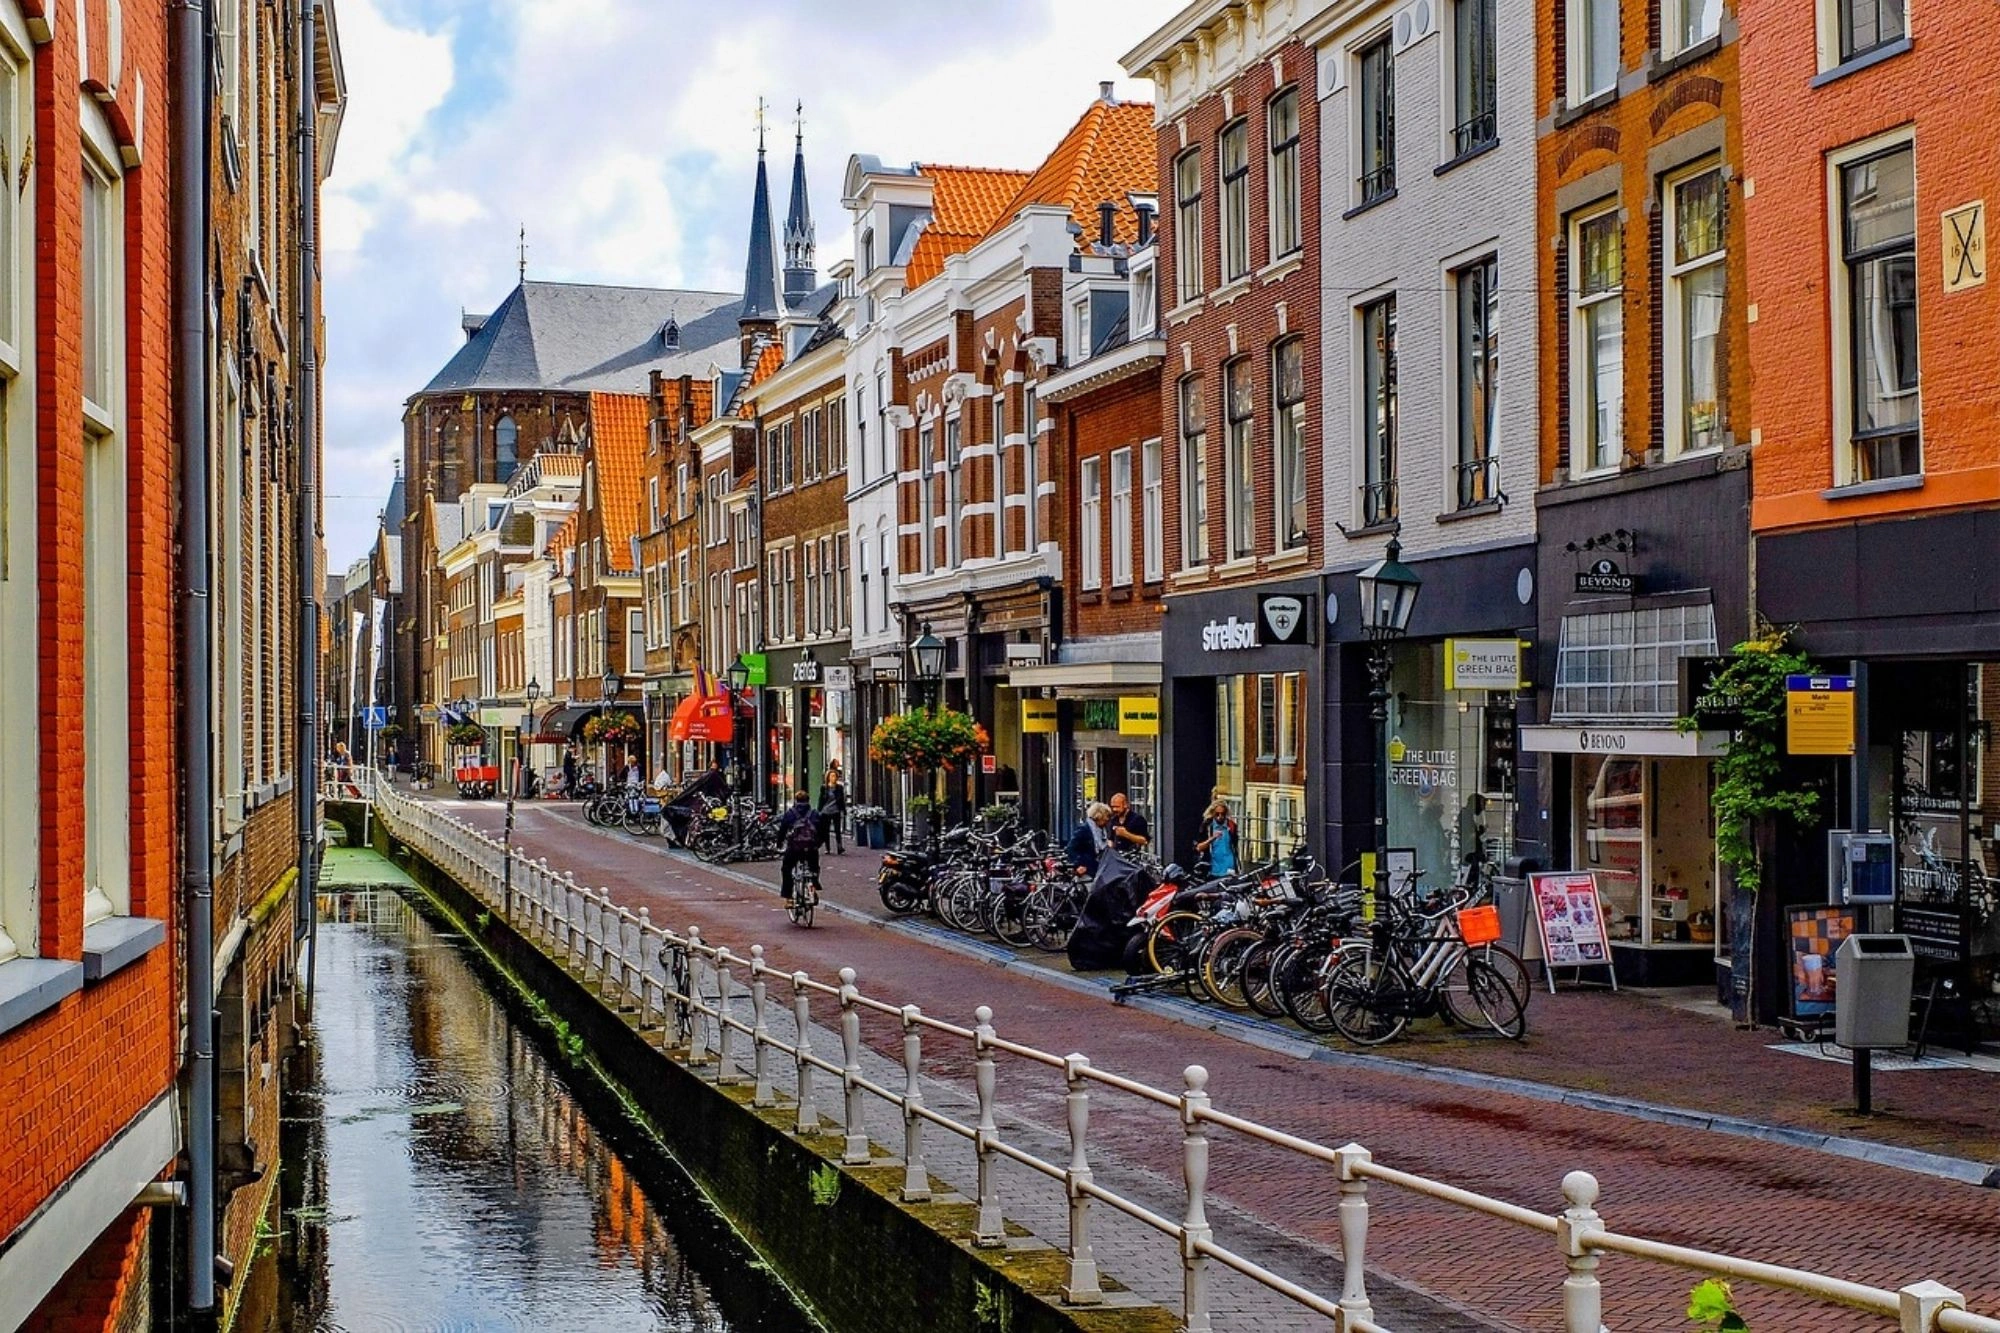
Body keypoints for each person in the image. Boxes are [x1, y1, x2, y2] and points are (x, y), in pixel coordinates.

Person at [777, 789, 821, 901]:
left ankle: (788, 897)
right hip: (810, 848)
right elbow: (822, 831)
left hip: (794, 848)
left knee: (786, 868)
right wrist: (817, 844)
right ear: (808, 800)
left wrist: (779, 843)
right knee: (814, 867)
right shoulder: (814, 814)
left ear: (795, 800)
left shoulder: (790, 814)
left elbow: (782, 830)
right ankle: (813, 884)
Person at [1065, 802, 1112, 876]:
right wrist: (1078, 865)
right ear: (1099, 816)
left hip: (1098, 867)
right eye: (1106, 818)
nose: (1107, 821)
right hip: (1086, 868)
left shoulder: (1102, 831)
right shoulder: (1084, 830)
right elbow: (1071, 848)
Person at [1195, 798, 1238, 876]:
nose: (1220, 817)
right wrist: (1212, 839)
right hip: (1213, 868)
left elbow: (1234, 847)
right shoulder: (1207, 825)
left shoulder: (1231, 826)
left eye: (1223, 814)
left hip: (1229, 867)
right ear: (1213, 813)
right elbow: (1199, 847)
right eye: (1217, 814)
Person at [819, 760, 848, 855]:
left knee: (837, 830)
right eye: (832, 776)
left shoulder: (839, 788)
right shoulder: (824, 788)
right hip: (826, 811)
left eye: (835, 776)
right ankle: (828, 848)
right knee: (825, 830)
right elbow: (821, 800)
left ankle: (839, 846)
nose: (834, 778)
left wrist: (843, 810)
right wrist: (819, 810)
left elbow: (842, 800)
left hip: (836, 811)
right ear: (828, 778)